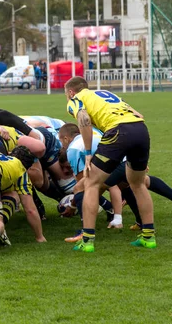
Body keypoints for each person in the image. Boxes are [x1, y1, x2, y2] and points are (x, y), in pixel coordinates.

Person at [65, 76, 155, 252]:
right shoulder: (105, 93)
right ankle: (149, 237)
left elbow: (84, 119)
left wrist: (88, 153)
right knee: (137, 183)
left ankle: (88, 240)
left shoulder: (75, 100)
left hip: (118, 131)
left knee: (90, 183)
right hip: (140, 129)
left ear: (70, 92)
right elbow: (139, 115)